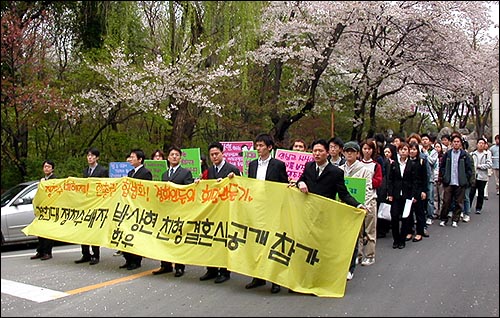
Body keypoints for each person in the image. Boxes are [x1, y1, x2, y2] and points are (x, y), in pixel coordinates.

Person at [295, 139, 366, 281]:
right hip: (308, 213)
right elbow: (300, 180)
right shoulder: (308, 166)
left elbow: (343, 193)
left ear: (327, 152)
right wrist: (301, 183)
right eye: (314, 151)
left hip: (326, 214)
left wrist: (358, 205)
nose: (317, 154)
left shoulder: (335, 172)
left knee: (324, 243)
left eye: (320, 151)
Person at [245, 133, 289, 294]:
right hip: (257, 208)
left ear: (270, 147)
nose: (258, 148)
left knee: (272, 242)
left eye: (262, 145)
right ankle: (258, 276)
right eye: (257, 146)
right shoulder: (252, 165)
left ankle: (275, 279)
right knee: (257, 241)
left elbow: (283, 186)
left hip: (273, 208)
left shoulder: (278, 165)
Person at [199, 142, 241, 284]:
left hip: (227, 210)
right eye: (212, 155)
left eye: (217, 153)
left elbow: (239, 188)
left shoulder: (232, 169)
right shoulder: (210, 171)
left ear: (223, 153)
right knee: (210, 240)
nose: (214, 156)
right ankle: (211, 269)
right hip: (213, 211)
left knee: (223, 241)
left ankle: (224, 271)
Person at [152, 146, 194, 277]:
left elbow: (189, 190)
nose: (174, 156)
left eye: (177, 154)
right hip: (166, 211)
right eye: (172, 154)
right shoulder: (164, 174)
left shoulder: (185, 173)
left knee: (178, 239)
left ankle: (179, 267)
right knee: (164, 238)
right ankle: (165, 265)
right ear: (168, 157)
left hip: (180, 211)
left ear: (180, 157)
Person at [339, 141, 376, 274]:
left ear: (357, 154)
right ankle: (357, 256)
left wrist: (364, 205)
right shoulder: (341, 170)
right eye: (347, 151)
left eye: (352, 151)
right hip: (346, 205)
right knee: (354, 233)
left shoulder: (364, 170)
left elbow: (367, 189)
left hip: (363, 205)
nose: (349, 154)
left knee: (367, 231)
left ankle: (370, 255)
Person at [119, 149, 153, 270]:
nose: (131, 159)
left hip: (139, 208)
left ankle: (136, 261)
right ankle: (127, 258)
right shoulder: (130, 173)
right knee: (125, 233)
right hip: (129, 208)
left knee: (136, 235)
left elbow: (147, 191)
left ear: (140, 159)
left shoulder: (146, 173)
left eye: (133, 157)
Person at [75, 147, 108, 266]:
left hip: (97, 204)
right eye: (88, 155)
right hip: (86, 204)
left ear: (97, 158)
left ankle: (95, 255)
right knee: (83, 229)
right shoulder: (85, 171)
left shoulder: (102, 170)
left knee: (94, 230)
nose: (89, 157)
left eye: (92, 156)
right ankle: (85, 254)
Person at [386, 142, 419, 249]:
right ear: (398, 151)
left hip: (407, 194)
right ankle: (395, 239)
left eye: (405, 149)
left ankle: (402, 240)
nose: (403, 151)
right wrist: (390, 193)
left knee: (405, 218)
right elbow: (390, 180)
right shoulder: (394, 164)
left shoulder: (412, 165)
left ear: (408, 151)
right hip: (395, 194)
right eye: (401, 149)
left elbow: (415, 181)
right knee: (394, 216)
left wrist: (413, 195)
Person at [438, 135, 473, 228]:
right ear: (451, 143)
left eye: (458, 141)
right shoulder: (448, 154)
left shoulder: (464, 155)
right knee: (446, 201)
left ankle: (455, 219)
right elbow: (442, 166)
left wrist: (465, 178)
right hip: (449, 181)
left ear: (460, 143)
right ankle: (443, 219)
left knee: (458, 202)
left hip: (460, 182)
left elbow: (469, 169)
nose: (456, 143)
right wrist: (444, 176)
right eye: (454, 141)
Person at [31, 160, 57, 261]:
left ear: (52, 169)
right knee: (40, 230)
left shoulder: (54, 180)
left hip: (50, 208)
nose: (46, 168)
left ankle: (48, 252)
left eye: (48, 167)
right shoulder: (42, 180)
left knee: (48, 231)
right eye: (45, 167)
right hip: (42, 209)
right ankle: (40, 251)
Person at [469, 137, 492, 215]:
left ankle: (478, 208)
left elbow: (489, 164)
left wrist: (480, 166)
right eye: (480, 143)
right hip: (474, 176)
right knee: (471, 192)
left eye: (483, 143)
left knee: (481, 193)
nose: (481, 145)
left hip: (483, 176)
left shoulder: (487, 154)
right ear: (477, 144)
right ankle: (468, 207)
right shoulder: (472, 154)